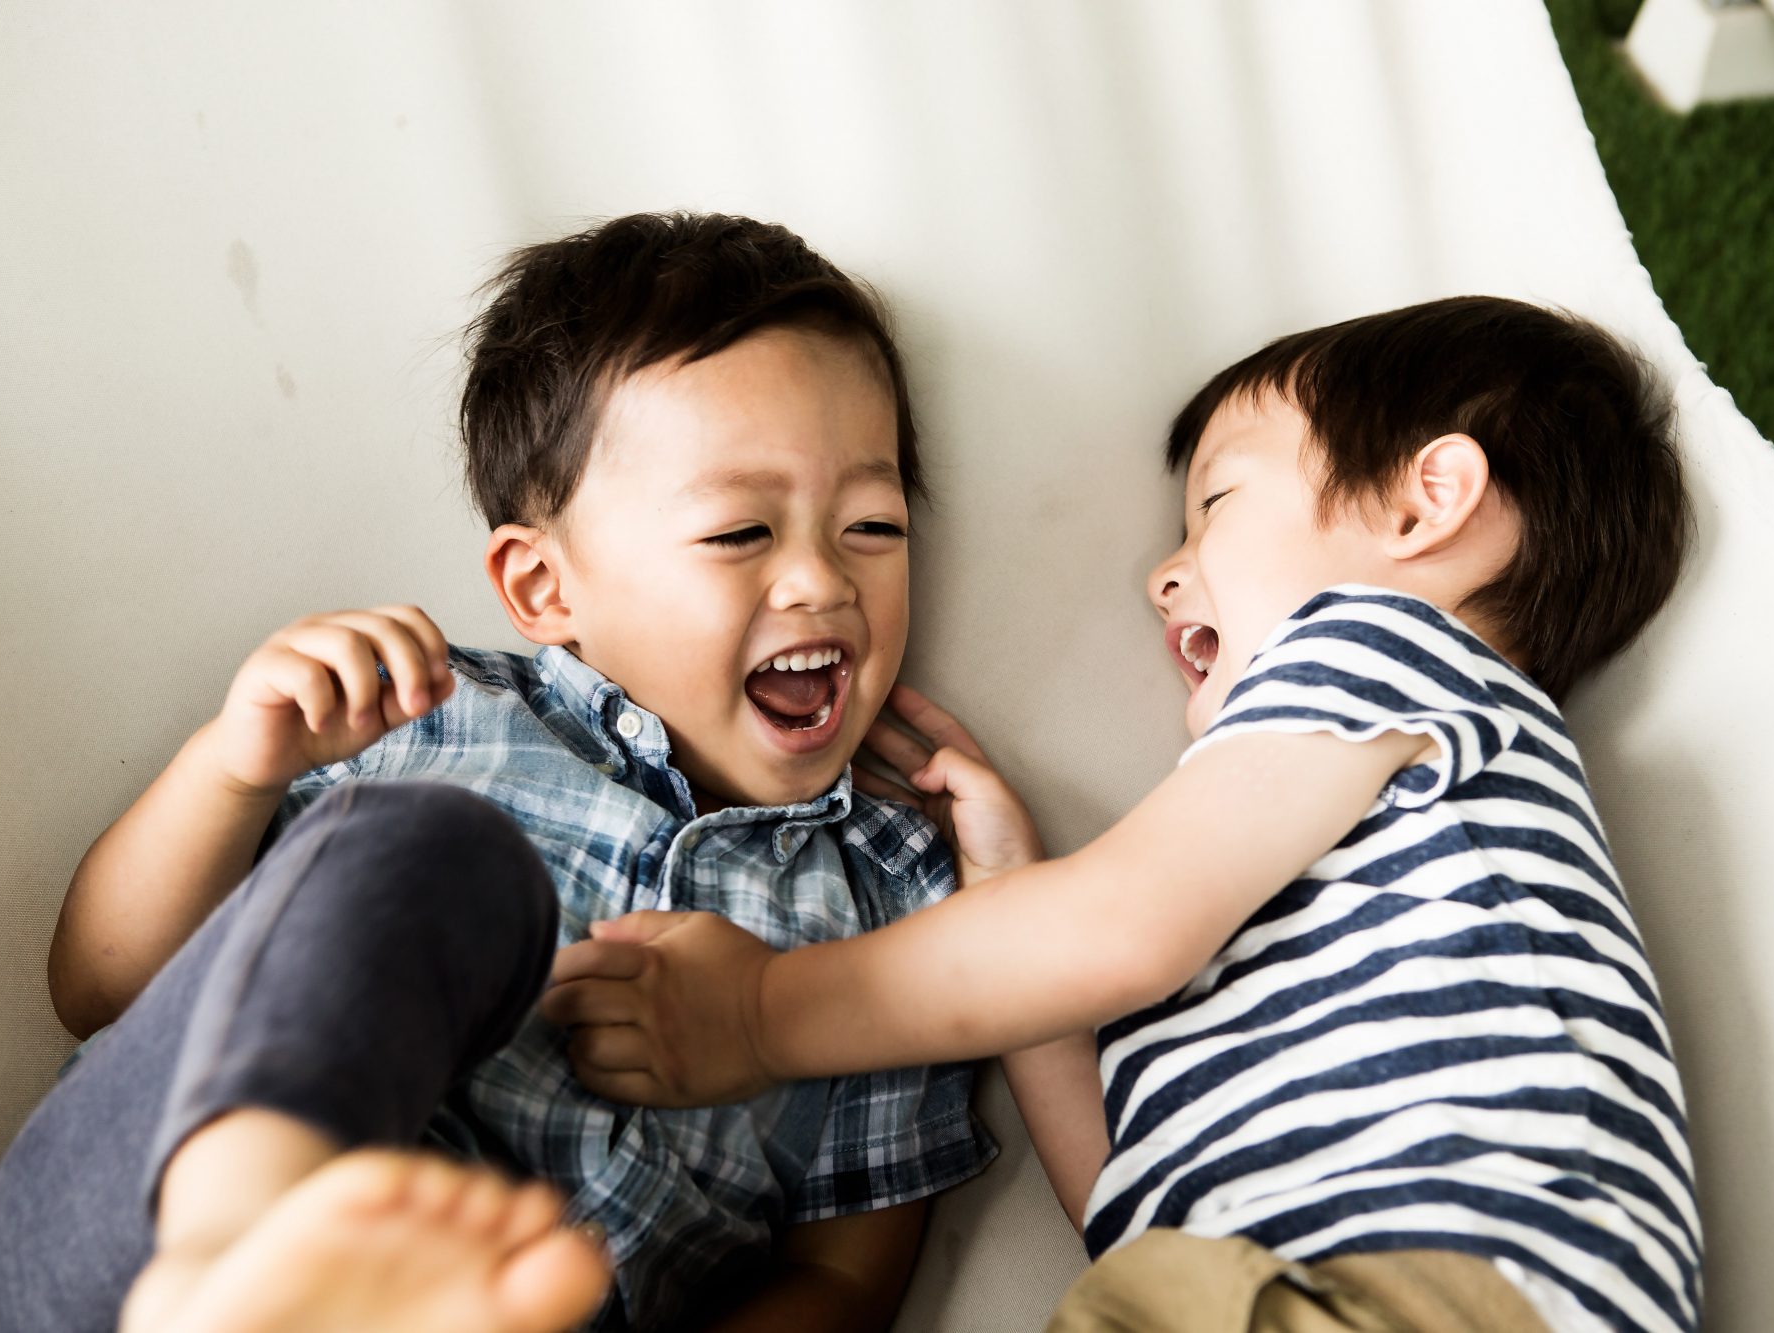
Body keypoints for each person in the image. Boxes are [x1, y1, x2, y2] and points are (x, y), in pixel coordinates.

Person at [0, 212, 1018, 1333]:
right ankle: (237, 1250)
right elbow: (102, 987)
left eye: (873, 525)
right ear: (546, 590)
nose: (817, 580)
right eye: (740, 531)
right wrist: (231, 772)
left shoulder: (897, 907)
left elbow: (841, 1279)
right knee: (434, 854)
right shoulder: (425, 712)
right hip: (112, 1263)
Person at [557, 296, 1704, 1333]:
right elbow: (1128, 1199)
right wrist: (1007, 892)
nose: (1166, 570)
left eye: (1214, 503)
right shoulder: (1357, 837)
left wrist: (762, 1010)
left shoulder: (1386, 644)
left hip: (1425, 1283)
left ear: (1423, 502)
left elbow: (1122, 928)